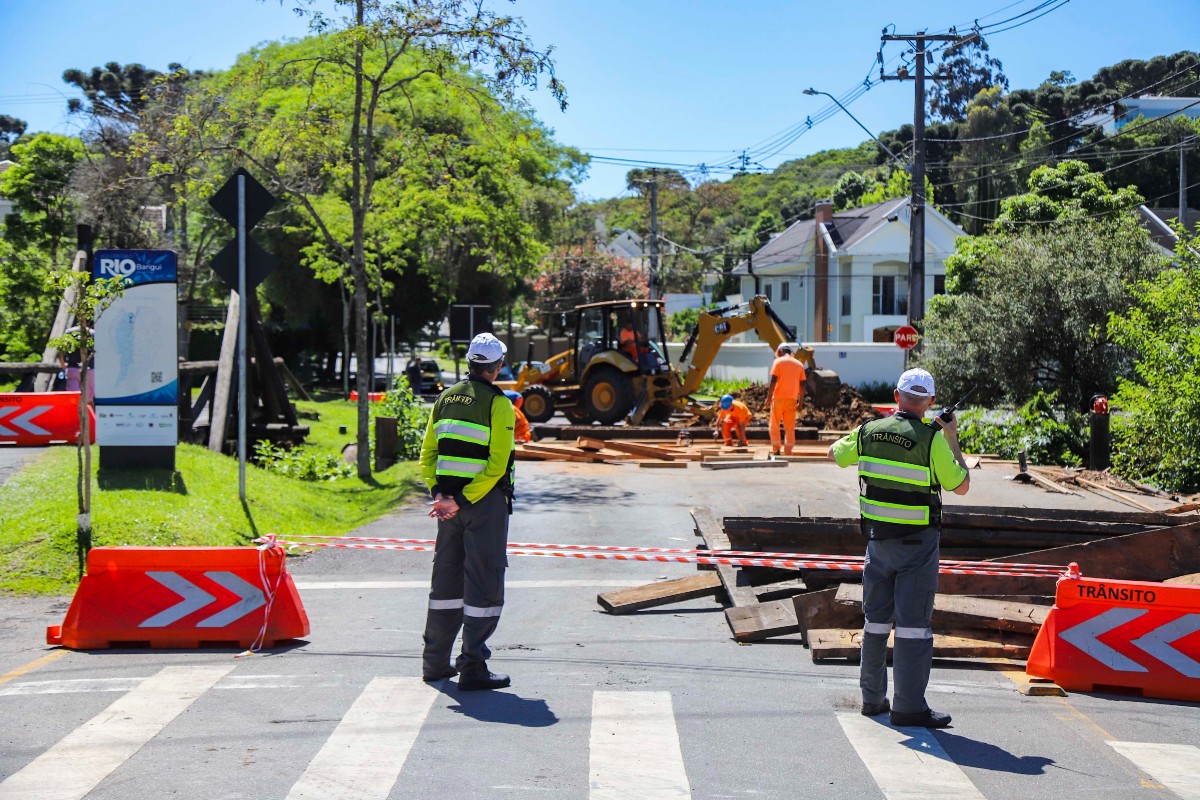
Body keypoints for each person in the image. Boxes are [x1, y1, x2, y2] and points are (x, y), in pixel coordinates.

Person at [827, 368, 970, 728]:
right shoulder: (931, 438)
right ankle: (908, 707)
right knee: (912, 628)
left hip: (878, 543)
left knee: (875, 623)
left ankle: (872, 699)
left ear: (896, 397)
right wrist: (951, 437)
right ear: (931, 403)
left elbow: (836, 454)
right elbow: (962, 486)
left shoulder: (867, 431)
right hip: (917, 546)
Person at [419, 332, 516, 691]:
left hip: (447, 506)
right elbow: (497, 463)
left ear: (471, 363)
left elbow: (427, 455)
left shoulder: (443, 398)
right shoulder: (498, 403)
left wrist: (440, 495)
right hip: (483, 504)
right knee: (484, 583)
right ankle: (473, 666)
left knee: (445, 583)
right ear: (496, 367)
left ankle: (435, 664)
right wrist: (464, 498)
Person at [765, 344, 806, 456]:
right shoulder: (799, 365)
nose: (778, 356)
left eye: (779, 353)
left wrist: (768, 398)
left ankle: (776, 449)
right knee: (789, 427)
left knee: (774, 424)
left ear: (781, 351)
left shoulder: (778, 362)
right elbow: (803, 386)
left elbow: (773, 381)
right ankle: (788, 450)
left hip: (778, 399)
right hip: (792, 400)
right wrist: (800, 402)